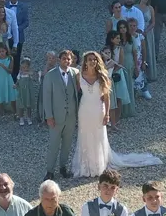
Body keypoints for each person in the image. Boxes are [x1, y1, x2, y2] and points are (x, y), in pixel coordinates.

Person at [72, 51, 114, 178]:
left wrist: (107, 114)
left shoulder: (102, 76)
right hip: (84, 109)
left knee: (98, 136)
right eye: (90, 59)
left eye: (94, 59)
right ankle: (85, 166)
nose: (92, 61)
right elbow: (76, 91)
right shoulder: (79, 75)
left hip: (98, 109)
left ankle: (98, 166)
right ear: (85, 61)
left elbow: (106, 97)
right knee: (84, 136)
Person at [41, 49, 81, 181]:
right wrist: (49, 116)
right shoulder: (50, 75)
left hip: (71, 115)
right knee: (54, 144)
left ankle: (63, 168)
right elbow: (46, 97)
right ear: (59, 60)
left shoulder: (75, 73)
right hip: (56, 116)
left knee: (67, 144)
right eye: (64, 58)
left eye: (69, 59)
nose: (67, 61)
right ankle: (49, 170)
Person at [101, 29, 134, 121]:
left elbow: (121, 63)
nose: (119, 40)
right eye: (117, 38)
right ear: (112, 39)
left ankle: (117, 118)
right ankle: (109, 118)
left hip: (117, 74)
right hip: (107, 74)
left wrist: (113, 72)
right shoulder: (106, 49)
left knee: (118, 97)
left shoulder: (120, 49)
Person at [6, 0, 31, 74]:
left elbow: (26, 22)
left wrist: (17, 29)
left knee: (17, 57)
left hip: (19, 35)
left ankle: (15, 76)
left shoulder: (23, 7)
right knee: (6, 55)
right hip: (7, 35)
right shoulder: (4, 6)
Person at [0, 42, 16, 115]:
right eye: (0, 51)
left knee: (12, 95)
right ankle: (2, 112)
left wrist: (3, 66)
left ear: (6, 50)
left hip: (7, 79)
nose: (2, 53)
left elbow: (10, 71)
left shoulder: (10, 58)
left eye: (3, 51)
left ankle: (15, 111)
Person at [15, 55, 41, 126]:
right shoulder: (20, 74)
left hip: (28, 92)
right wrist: (15, 85)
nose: (23, 69)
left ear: (28, 67)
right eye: (22, 67)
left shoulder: (29, 74)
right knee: (21, 105)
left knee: (28, 105)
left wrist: (27, 72)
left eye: (25, 67)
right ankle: (21, 117)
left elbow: (33, 75)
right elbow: (18, 80)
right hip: (21, 91)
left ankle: (29, 117)